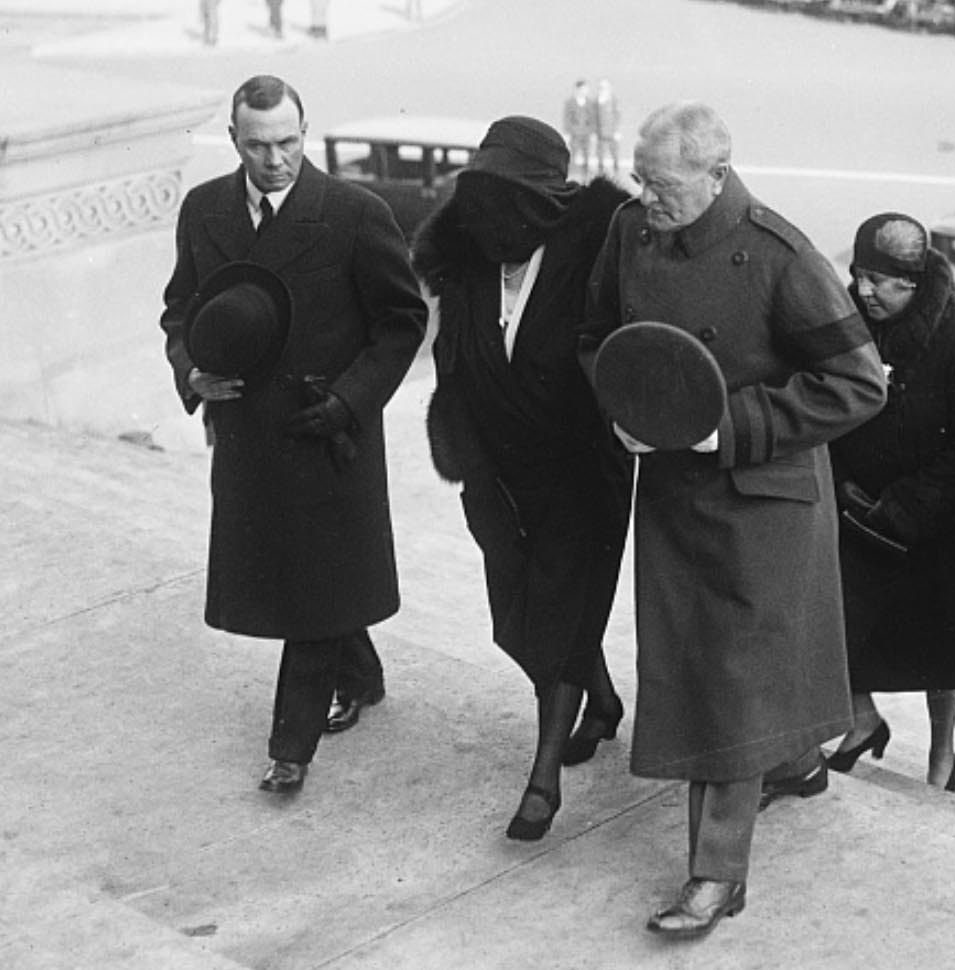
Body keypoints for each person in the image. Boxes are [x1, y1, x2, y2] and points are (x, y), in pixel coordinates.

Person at [582, 102, 887, 938]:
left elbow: (859, 383)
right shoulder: (628, 232)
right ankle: (791, 760)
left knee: (730, 680)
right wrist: (624, 406)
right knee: (706, 667)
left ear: (717, 175)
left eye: (665, 185)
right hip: (674, 496)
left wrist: (722, 427)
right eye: (641, 179)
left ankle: (714, 876)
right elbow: (596, 337)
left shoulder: (782, 255)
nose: (647, 198)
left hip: (764, 503)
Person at [159, 75, 426, 794]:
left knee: (311, 584)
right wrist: (190, 371)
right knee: (310, 577)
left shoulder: (353, 213)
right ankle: (360, 674)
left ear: (304, 133)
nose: (275, 160)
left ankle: (291, 747)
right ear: (234, 141)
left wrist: (349, 402)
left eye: (288, 142)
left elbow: (402, 321)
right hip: (246, 434)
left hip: (327, 432)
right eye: (258, 145)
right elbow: (180, 309)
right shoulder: (204, 209)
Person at [410, 116, 633, 841]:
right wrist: (469, 458)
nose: (493, 215)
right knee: (522, 614)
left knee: (561, 612)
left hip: (579, 473)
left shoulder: (595, 256)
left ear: (548, 198)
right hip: (497, 476)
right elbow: (453, 362)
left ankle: (543, 780)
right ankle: (600, 704)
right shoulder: (469, 262)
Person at [826, 213, 955, 792]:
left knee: (940, 643)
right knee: (838, 621)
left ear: (914, 282)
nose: (865, 290)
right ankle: (861, 718)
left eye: (880, 280)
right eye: (859, 275)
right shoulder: (850, 322)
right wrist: (845, 483)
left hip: (941, 519)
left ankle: (943, 755)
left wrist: (905, 505)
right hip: (859, 506)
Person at [562, 80, 597, 180]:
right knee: (573, 153)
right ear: (577, 89)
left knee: (587, 153)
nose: (584, 91)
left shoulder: (590, 103)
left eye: (585, 89)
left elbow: (593, 119)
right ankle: (571, 175)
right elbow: (567, 118)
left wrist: (592, 132)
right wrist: (568, 132)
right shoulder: (570, 103)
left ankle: (586, 174)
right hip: (575, 133)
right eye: (582, 89)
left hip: (586, 133)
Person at [594, 79, 622, 176]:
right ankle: (601, 171)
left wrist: (617, 131)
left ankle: (616, 171)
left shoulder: (613, 100)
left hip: (611, 132)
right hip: (600, 133)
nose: (603, 90)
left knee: (614, 152)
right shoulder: (596, 101)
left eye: (605, 88)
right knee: (600, 153)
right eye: (601, 88)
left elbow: (617, 116)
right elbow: (594, 117)